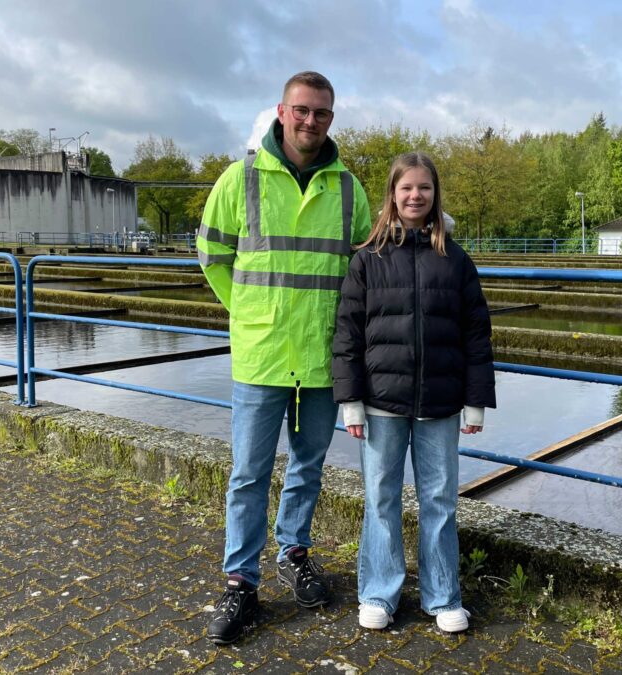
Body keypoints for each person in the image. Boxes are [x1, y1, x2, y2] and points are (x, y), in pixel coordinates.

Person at [197, 71, 372, 645]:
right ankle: (240, 583)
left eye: (321, 113)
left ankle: (294, 551)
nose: (310, 121)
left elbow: (366, 271)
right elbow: (211, 254)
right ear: (281, 110)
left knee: (307, 467)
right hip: (261, 356)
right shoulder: (240, 177)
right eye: (301, 110)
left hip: (322, 359)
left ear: (331, 117)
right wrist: (247, 313)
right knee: (248, 475)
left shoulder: (349, 189)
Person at [332, 151, 497, 633]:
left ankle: (443, 596)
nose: (415, 196)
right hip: (381, 404)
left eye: (423, 188)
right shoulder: (367, 258)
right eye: (406, 188)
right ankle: (379, 594)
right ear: (392, 193)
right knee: (380, 498)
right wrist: (351, 400)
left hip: (442, 404)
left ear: (434, 194)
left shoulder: (456, 259)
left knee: (440, 500)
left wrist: (475, 400)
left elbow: (475, 333)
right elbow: (348, 335)